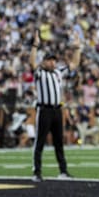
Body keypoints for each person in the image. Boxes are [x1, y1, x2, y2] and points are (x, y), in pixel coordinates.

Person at [30, 30, 81, 182]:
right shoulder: (40, 73)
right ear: (44, 61)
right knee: (40, 142)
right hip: (44, 110)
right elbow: (32, 63)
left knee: (59, 142)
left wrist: (77, 48)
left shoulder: (58, 72)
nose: (52, 62)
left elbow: (74, 64)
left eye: (54, 60)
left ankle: (63, 171)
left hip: (57, 110)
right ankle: (37, 172)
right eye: (49, 60)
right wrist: (35, 45)